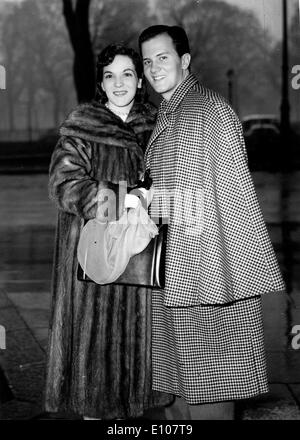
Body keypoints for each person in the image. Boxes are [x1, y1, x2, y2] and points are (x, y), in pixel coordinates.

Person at [138, 25, 285, 420]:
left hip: (207, 280)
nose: (153, 68)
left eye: (162, 57)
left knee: (208, 400)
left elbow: (232, 197)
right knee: (180, 400)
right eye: (147, 61)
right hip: (178, 276)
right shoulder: (174, 112)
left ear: (185, 61)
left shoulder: (208, 110)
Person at [44, 43, 172, 420]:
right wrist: (120, 200)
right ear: (101, 82)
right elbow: (63, 184)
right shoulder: (82, 127)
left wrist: (154, 196)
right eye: (110, 75)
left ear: (139, 79)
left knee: (140, 375)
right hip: (93, 262)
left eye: (127, 74)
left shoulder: (158, 126)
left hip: (141, 258)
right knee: (95, 377)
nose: (119, 83)